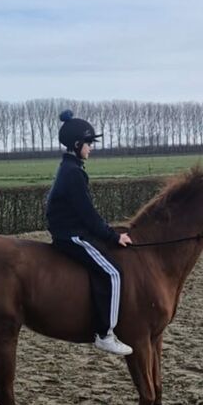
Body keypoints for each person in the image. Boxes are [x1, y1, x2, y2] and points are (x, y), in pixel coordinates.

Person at [46, 109, 133, 356]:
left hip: (71, 229)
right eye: (89, 143)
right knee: (113, 273)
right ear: (77, 145)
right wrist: (114, 236)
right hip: (71, 235)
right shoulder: (73, 173)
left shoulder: (69, 167)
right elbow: (88, 215)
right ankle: (105, 334)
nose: (91, 148)